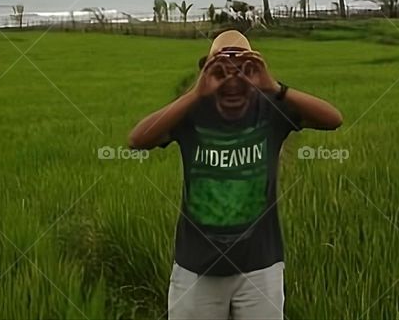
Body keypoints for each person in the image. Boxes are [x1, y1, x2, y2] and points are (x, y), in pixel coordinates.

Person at [128, 29, 343, 320]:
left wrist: (274, 87)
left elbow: (333, 119)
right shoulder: (191, 113)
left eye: (242, 67)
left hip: (260, 266)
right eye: (220, 67)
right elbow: (138, 140)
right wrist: (195, 94)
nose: (232, 77)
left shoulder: (270, 110)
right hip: (196, 268)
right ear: (206, 69)